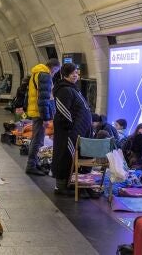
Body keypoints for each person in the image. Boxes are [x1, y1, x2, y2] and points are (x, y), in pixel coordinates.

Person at [51, 63, 92, 195]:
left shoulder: (72, 88)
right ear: (65, 74)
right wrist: (71, 129)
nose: (76, 75)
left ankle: (70, 184)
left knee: (71, 157)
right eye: (73, 73)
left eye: (77, 73)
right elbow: (64, 111)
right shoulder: (64, 90)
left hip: (76, 131)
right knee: (64, 156)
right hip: (68, 132)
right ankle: (61, 187)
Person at [25, 58, 60, 176]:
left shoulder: (36, 73)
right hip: (40, 113)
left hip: (36, 111)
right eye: (55, 71)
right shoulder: (45, 75)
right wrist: (45, 117)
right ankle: (31, 166)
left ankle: (34, 163)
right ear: (54, 68)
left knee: (37, 139)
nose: (54, 73)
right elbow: (43, 98)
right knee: (37, 140)